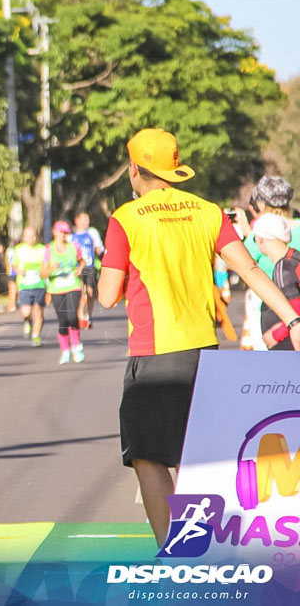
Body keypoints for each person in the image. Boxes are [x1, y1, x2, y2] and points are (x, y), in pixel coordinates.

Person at [97, 128, 300, 547]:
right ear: (174, 169)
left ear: (134, 170)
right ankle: (199, 552)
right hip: (204, 354)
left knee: (148, 456)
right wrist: (293, 320)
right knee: (193, 456)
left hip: (154, 354)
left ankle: (178, 553)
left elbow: (106, 294)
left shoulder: (125, 219)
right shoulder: (207, 212)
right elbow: (251, 271)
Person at [250, 214, 300, 351]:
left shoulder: (284, 268)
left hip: (290, 345)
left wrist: (276, 335)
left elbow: (296, 309)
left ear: (261, 239)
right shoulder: (294, 258)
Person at [40, 221, 86, 365]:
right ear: (54, 232)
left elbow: (82, 261)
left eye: (65, 232)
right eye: (60, 232)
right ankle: (65, 350)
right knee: (63, 320)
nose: (63, 235)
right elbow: (43, 273)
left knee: (72, 316)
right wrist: (51, 268)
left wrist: (80, 268)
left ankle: (76, 347)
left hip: (73, 286)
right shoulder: (49, 249)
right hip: (56, 289)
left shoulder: (74, 247)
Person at [12, 226, 46, 346]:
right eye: (28, 236)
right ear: (23, 237)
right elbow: (14, 264)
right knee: (25, 312)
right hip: (24, 285)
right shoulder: (18, 249)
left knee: (38, 311)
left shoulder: (42, 249)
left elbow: (46, 265)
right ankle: (28, 322)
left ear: (36, 237)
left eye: (33, 236)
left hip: (39, 284)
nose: (31, 239)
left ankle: (36, 336)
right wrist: (18, 271)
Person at [70, 213, 104, 329]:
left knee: (90, 292)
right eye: (84, 220)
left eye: (88, 220)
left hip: (90, 266)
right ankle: (80, 315)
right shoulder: (71, 236)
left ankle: (89, 315)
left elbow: (99, 247)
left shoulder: (92, 232)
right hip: (77, 267)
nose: (87, 222)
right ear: (77, 221)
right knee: (79, 291)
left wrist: (100, 251)